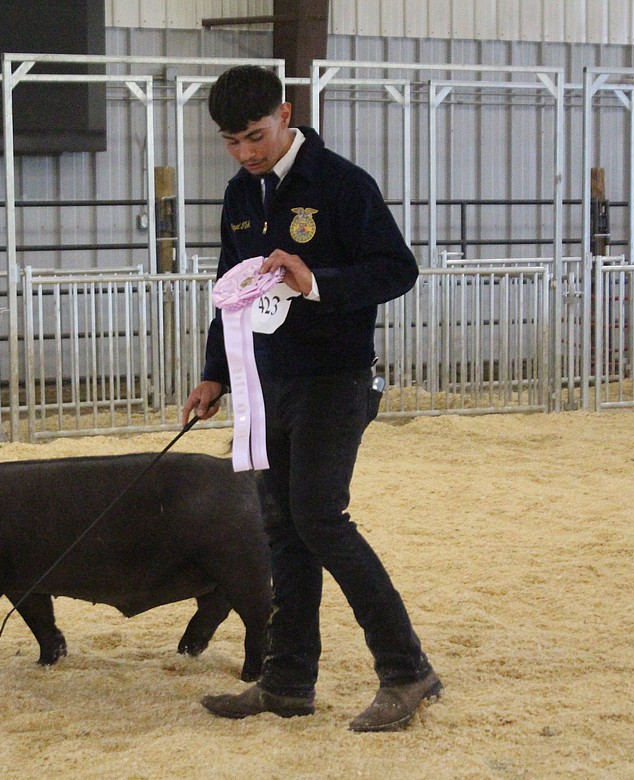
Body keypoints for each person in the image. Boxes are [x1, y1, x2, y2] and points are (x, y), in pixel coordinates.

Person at [181, 64, 441, 733]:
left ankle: (407, 671)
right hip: (268, 383)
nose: (245, 151)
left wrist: (316, 282)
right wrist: (215, 374)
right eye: (231, 141)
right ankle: (288, 682)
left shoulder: (343, 184)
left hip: (335, 379)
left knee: (319, 520)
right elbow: (228, 290)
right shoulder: (240, 195)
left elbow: (397, 269)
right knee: (282, 532)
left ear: (286, 115)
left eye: (254, 135)